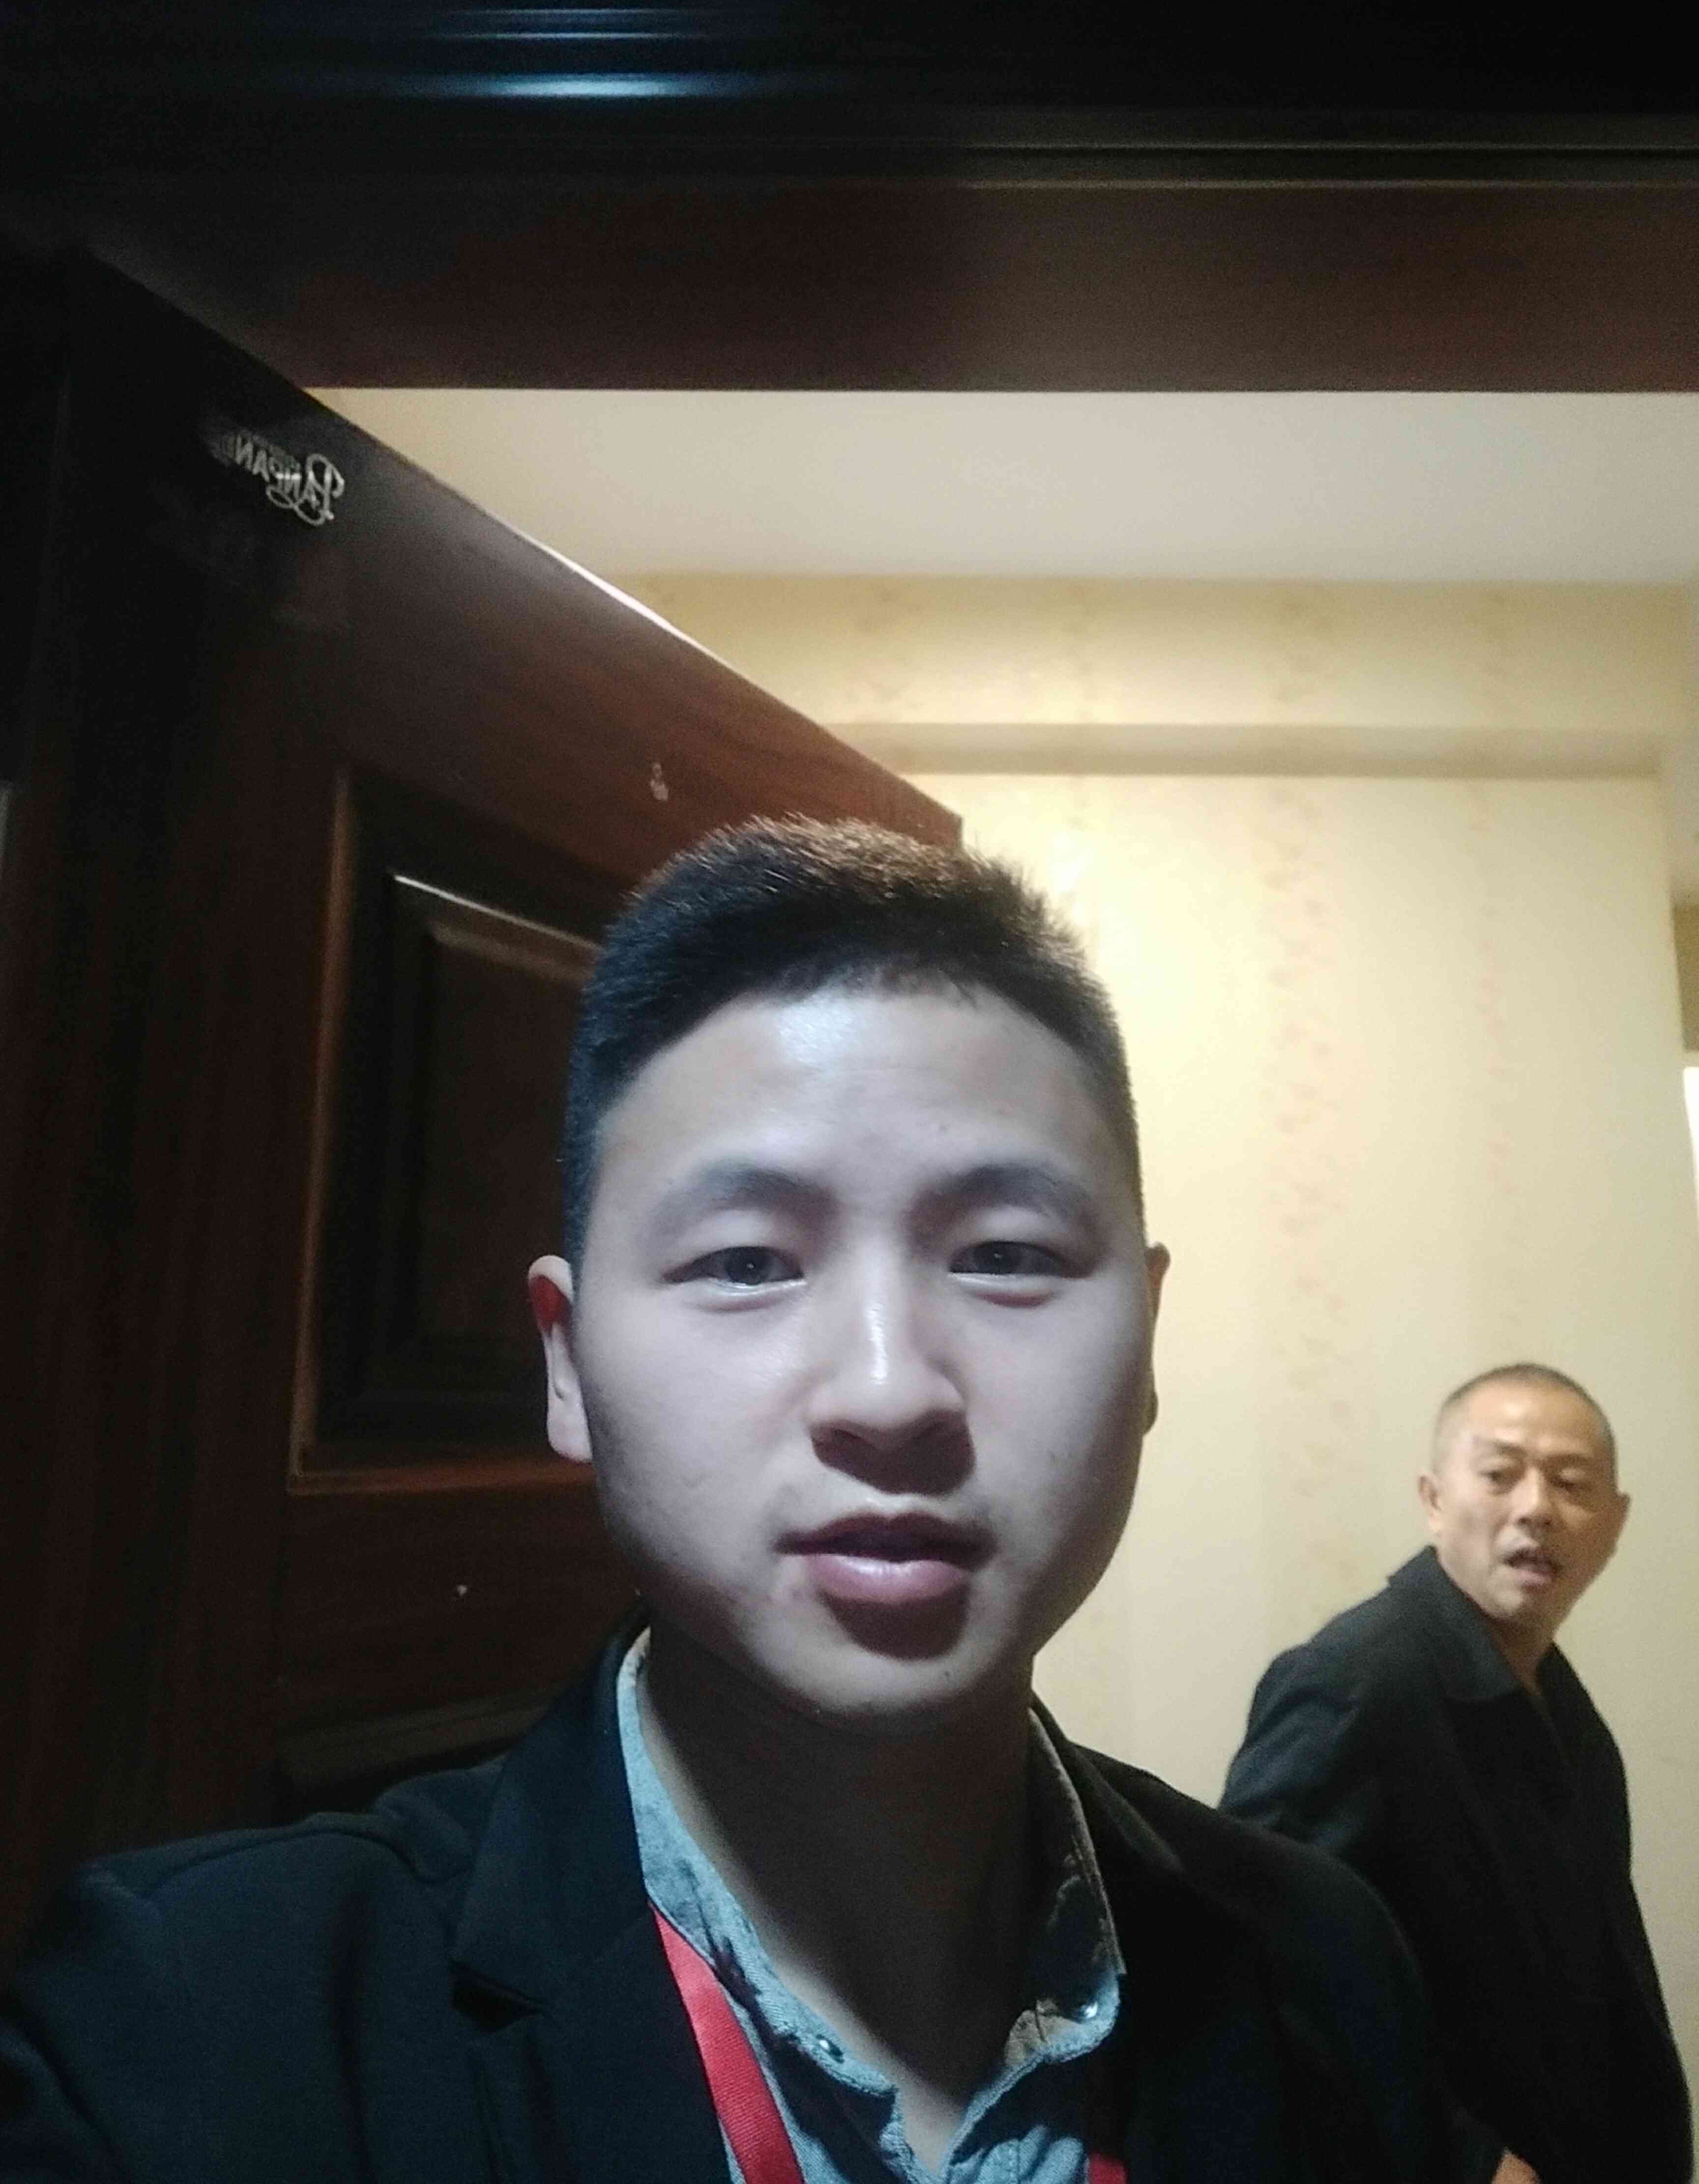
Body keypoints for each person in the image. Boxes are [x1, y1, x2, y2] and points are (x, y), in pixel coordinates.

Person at [3, 818, 1459, 2184]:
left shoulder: (1327, 1970)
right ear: (566, 1365)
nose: (888, 1390)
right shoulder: (194, 2033)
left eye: (1007, 1254)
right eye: (747, 1262)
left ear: (1146, 1344)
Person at [1221, 1364, 1693, 2184]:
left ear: (1615, 1524)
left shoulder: (1566, 1714)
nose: (1537, 1508)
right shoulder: (1359, 1681)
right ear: (1435, 1500)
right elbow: (1254, 1965)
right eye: (1501, 1474)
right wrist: (1464, 2158)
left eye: (1572, 1483)